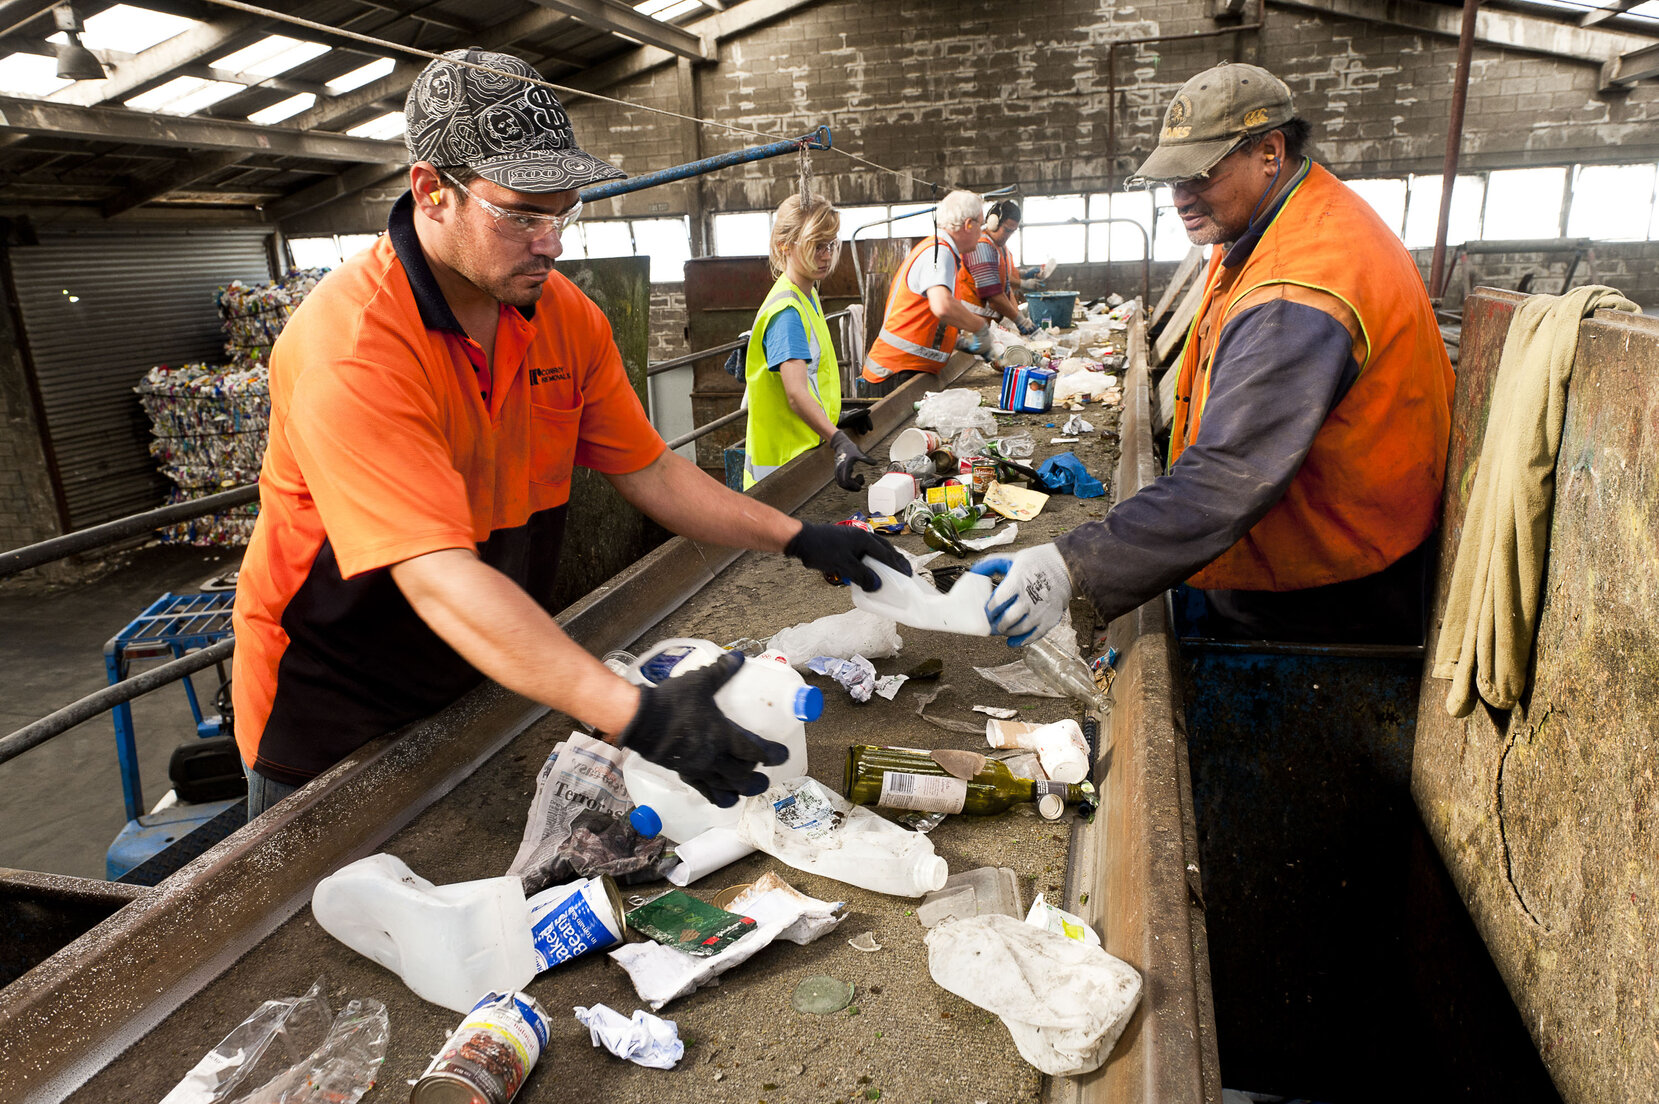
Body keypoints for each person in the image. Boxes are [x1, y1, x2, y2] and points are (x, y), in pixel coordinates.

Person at [230, 48, 908, 818]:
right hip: (334, 694)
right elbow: (436, 575)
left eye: (563, 211)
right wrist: (636, 713)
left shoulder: (561, 315)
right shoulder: (353, 345)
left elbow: (647, 470)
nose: (549, 242)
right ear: (431, 191)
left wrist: (794, 536)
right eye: (521, 213)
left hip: (478, 659)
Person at [973, 62, 1454, 647]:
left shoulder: (1298, 283)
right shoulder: (1295, 222)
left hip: (1328, 592)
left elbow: (1228, 474)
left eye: (1198, 175)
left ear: (1270, 152)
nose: (1180, 197)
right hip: (1327, 548)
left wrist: (1071, 565)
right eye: (1171, 180)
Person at [741, 194, 873, 491]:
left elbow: (813, 380)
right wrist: (837, 438)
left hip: (801, 459)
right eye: (817, 246)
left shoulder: (807, 294)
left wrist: (837, 419)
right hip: (780, 476)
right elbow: (796, 394)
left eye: (831, 244)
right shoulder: (787, 313)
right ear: (784, 246)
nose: (827, 256)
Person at [859, 189, 995, 395]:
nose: (982, 232)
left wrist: (956, 342)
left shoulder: (940, 251)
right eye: (981, 225)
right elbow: (942, 306)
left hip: (902, 371)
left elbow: (927, 316)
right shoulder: (938, 252)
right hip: (893, 375)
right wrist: (979, 328)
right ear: (969, 225)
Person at [965, 199, 1037, 335]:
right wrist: (1019, 320)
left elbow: (1005, 289)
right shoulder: (981, 246)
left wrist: (1019, 317)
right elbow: (993, 296)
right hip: (969, 324)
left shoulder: (999, 247)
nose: (1008, 236)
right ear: (993, 223)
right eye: (1007, 230)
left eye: (1012, 232)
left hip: (985, 324)